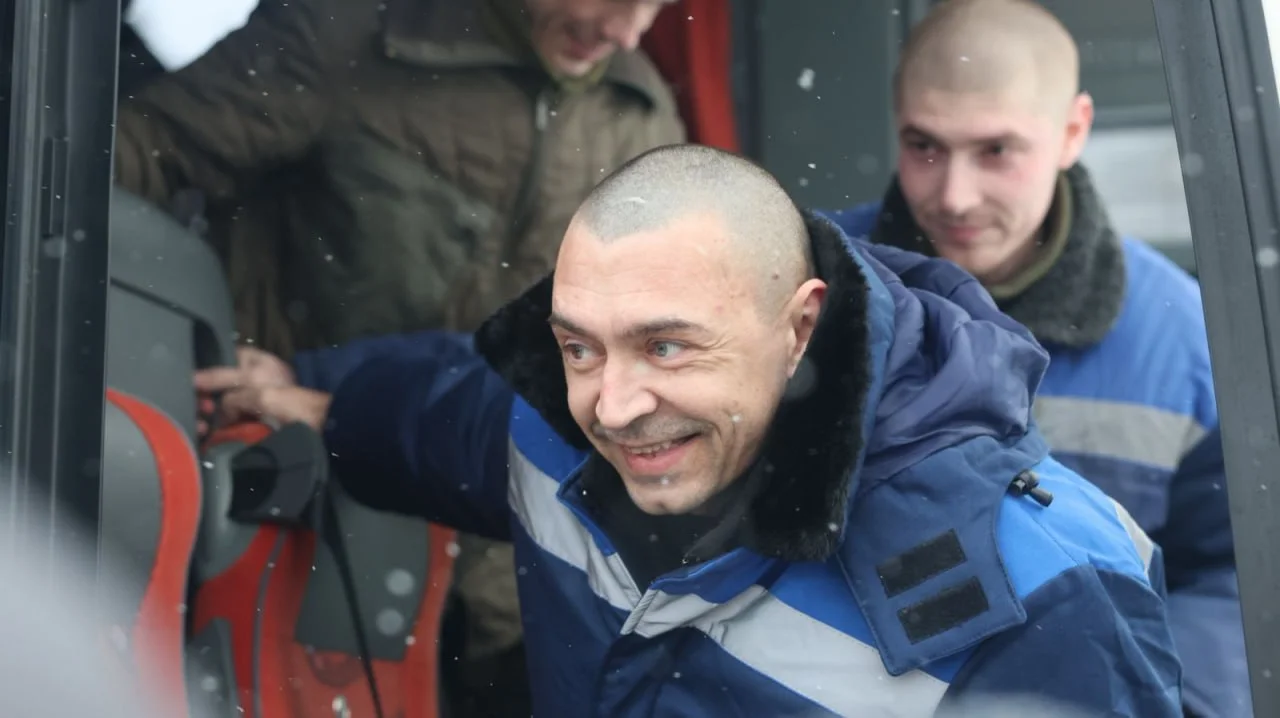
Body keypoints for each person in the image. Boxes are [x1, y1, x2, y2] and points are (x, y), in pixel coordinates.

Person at [201, 143, 1183, 717]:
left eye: (666, 347)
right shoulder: (553, 424)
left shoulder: (1043, 596)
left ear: (798, 327)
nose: (613, 405)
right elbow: (436, 422)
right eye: (579, 346)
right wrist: (314, 399)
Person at [120, 0, 685, 709]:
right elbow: (133, 155)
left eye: (654, 4)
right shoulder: (356, 35)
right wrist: (168, 349)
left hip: (501, 605)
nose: (626, 31)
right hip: (285, 531)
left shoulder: (642, 122)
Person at [821, 2, 1245, 715]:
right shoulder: (810, 291)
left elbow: (1235, 570)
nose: (955, 195)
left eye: (996, 150)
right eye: (924, 145)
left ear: (1073, 131)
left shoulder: (1188, 339)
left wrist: (1163, 701)